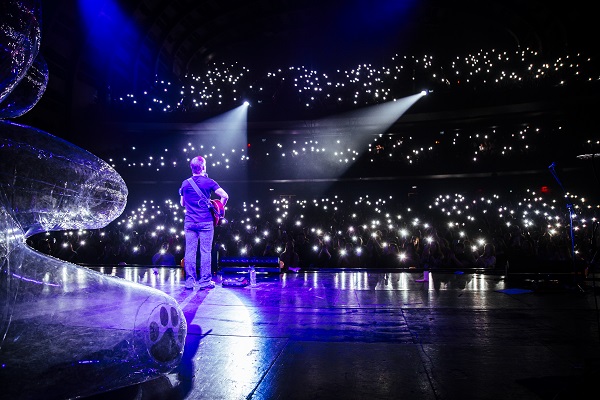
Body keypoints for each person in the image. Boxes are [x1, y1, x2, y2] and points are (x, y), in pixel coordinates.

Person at [179, 156, 229, 290]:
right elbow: (225, 195)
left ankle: (189, 282)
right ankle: (205, 282)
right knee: (205, 251)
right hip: (206, 222)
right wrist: (219, 207)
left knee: (190, 252)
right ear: (203, 167)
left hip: (190, 222)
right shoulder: (209, 181)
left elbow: (182, 203)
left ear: (192, 168)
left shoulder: (185, 183)